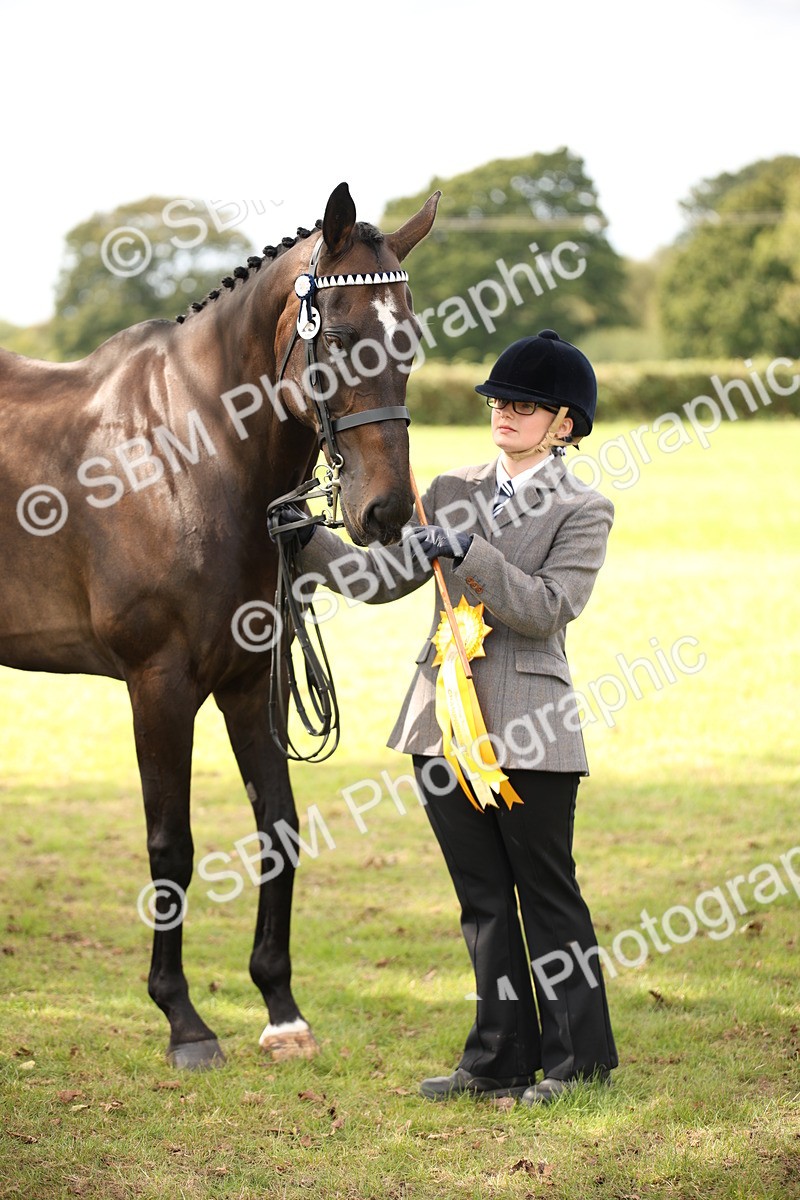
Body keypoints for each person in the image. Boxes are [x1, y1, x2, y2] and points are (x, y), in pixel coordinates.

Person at [282, 328, 618, 1106]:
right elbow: (380, 579)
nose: (505, 412)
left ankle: (580, 1061)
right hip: (440, 724)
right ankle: (498, 1056)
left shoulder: (585, 508)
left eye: (525, 404)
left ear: (564, 423)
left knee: (547, 895)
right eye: (500, 399)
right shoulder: (449, 486)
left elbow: (545, 609)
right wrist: (312, 548)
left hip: (529, 727)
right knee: (482, 901)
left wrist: (468, 550)